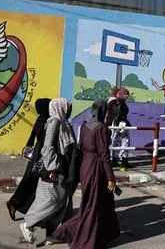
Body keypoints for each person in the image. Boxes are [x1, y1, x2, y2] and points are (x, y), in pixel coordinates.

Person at [54, 99, 121, 248]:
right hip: (96, 168)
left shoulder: (85, 126)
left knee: (91, 203)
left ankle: (85, 234)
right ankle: (83, 238)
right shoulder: (101, 129)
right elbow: (104, 155)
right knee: (94, 205)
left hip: (85, 166)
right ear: (103, 111)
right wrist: (111, 178)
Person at [20, 98, 76, 245]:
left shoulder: (63, 122)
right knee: (52, 200)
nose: (69, 110)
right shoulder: (55, 122)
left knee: (62, 201)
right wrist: (52, 168)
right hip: (54, 168)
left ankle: (53, 234)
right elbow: (48, 146)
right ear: (61, 108)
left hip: (62, 166)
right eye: (68, 108)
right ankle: (28, 224)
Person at [6, 98, 51, 221]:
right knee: (31, 181)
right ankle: (14, 203)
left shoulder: (40, 119)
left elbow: (32, 136)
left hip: (37, 154)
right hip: (41, 155)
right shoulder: (46, 121)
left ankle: (26, 208)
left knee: (32, 181)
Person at [111, 87, 132, 171]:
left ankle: (115, 160)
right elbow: (118, 114)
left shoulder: (119, 102)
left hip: (120, 123)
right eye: (126, 94)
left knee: (116, 142)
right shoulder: (120, 102)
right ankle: (123, 161)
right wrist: (116, 126)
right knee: (125, 141)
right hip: (121, 124)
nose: (127, 96)